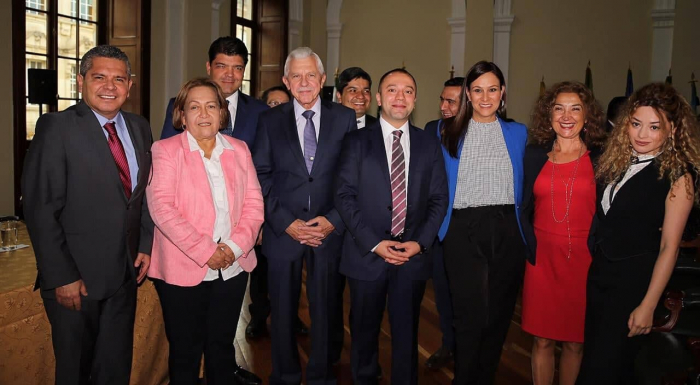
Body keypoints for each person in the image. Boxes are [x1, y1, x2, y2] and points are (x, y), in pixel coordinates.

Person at [22, 45, 154, 384]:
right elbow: (40, 209)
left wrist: (145, 243)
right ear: (81, 80)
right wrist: (61, 276)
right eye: (99, 77)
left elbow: (141, 197)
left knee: (114, 369)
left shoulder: (140, 128)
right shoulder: (57, 128)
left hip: (124, 277)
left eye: (118, 79)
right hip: (75, 281)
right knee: (76, 371)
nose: (109, 86)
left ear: (130, 86)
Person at [577, 83, 700, 384]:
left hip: (635, 283)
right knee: (601, 363)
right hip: (601, 275)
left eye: (654, 127)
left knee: (602, 371)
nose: (642, 134)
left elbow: (670, 247)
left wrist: (648, 305)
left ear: (672, 129)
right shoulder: (615, 159)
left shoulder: (678, 175)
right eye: (636, 124)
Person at [147, 77, 264, 385]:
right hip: (183, 269)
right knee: (185, 351)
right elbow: (161, 208)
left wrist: (234, 247)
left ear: (222, 113)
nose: (204, 114)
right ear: (181, 115)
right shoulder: (165, 150)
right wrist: (207, 251)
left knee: (221, 348)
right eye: (194, 107)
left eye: (211, 106)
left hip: (233, 267)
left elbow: (254, 204)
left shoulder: (239, 149)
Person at [335, 67, 448, 384]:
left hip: (411, 257)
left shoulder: (429, 144)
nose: (401, 96)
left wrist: (420, 243)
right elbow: (344, 196)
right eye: (393, 90)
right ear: (379, 98)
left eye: (408, 91)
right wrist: (374, 243)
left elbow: (439, 199)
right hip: (366, 254)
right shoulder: (355, 141)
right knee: (363, 332)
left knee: (407, 333)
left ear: (414, 100)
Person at [252, 47, 356, 385]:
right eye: (296, 75)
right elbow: (261, 175)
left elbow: (353, 177)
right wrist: (287, 223)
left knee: (325, 309)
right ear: (285, 80)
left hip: (329, 229)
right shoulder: (269, 120)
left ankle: (321, 376)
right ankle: (284, 375)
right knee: (281, 311)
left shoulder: (343, 118)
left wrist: (333, 220)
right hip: (285, 231)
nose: (304, 82)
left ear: (323, 79)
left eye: (311, 74)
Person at [437, 61, 528, 385]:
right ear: (467, 94)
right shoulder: (445, 131)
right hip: (462, 229)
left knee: (498, 316)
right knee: (469, 316)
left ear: (502, 93)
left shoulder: (519, 133)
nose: (485, 97)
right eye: (478, 90)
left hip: (507, 229)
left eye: (492, 89)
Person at [520, 81, 607, 385]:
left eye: (575, 108)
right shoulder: (532, 155)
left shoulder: (602, 158)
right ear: (549, 114)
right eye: (559, 108)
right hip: (542, 260)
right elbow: (522, 205)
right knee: (542, 340)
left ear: (587, 116)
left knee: (575, 341)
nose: (566, 116)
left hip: (585, 261)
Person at [246, 84, 308, 338]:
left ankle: (289, 317)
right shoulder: (262, 129)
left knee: (289, 279)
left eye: (284, 104)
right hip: (263, 213)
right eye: (273, 104)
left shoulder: (302, 131)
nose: (279, 108)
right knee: (261, 273)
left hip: (292, 216)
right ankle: (259, 317)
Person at [160, 36, 268, 149]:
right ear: (208, 67)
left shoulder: (260, 112)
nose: (229, 74)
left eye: (237, 68)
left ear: (244, 71)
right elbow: (168, 150)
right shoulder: (181, 105)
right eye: (222, 66)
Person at [424, 76, 465, 370]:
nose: (443, 106)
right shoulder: (430, 130)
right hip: (437, 228)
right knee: (442, 293)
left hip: (468, 230)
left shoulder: (479, 134)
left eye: (451, 101)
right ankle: (449, 344)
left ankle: (468, 350)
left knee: (467, 296)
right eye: (442, 99)